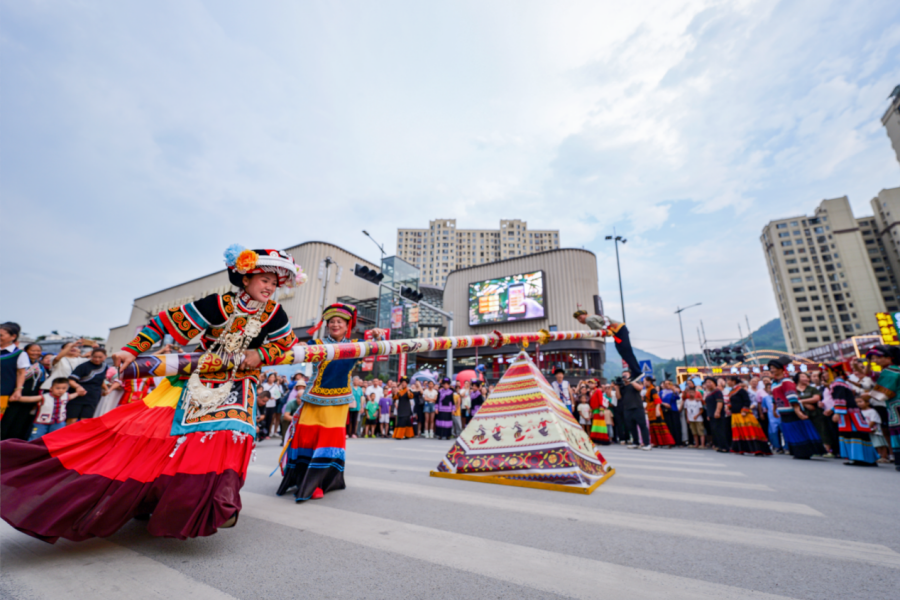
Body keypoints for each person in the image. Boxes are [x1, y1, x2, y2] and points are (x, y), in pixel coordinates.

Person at [1, 246, 304, 542]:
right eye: (265, 279)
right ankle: (155, 498)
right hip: (195, 379)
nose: (270, 287)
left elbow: (286, 346)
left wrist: (261, 354)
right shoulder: (219, 304)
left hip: (241, 385)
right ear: (246, 278)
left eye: (275, 283)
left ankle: (217, 504)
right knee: (150, 437)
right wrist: (131, 349)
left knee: (234, 435)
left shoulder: (275, 313)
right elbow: (162, 323)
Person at [277, 303, 386, 502]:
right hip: (313, 399)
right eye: (332, 322)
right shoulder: (316, 343)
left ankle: (319, 483)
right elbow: (300, 351)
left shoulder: (356, 345)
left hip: (338, 402)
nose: (335, 325)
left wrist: (378, 336)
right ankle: (302, 479)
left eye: (340, 322)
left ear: (347, 326)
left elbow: (376, 348)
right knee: (308, 439)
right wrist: (300, 347)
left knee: (328, 442)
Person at [768, 356, 825, 460]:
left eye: (773, 367)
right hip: (783, 411)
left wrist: (797, 411)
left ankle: (805, 452)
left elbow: (792, 396)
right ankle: (798, 452)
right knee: (790, 432)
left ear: (781, 368)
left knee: (798, 431)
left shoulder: (786, 381)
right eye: (770, 368)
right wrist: (774, 409)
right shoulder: (774, 383)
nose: (771, 370)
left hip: (792, 410)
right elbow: (774, 397)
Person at [824, 362, 877, 466]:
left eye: (827, 372)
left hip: (849, 414)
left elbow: (840, 399)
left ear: (834, 373)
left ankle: (860, 458)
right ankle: (860, 458)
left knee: (853, 434)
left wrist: (837, 413)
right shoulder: (842, 383)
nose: (825, 374)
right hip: (851, 413)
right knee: (853, 434)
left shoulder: (838, 384)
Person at [863, 345, 900, 471]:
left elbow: (883, 393)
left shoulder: (890, 371)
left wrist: (867, 395)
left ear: (889, 358)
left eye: (877, 357)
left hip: (896, 406)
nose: (875, 361)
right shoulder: (895, 369)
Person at [2, 343, 46, 441]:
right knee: (7, 421)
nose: (36, 353)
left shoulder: (40, 366)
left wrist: (37, 399)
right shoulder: (19, 364)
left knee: (21, 422)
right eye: (32, 350)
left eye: (38, 350)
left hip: (30, 399)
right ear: (25, 352)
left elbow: (41, 383)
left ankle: (14, 444)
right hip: (14, 397)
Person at [724, 374, 771, 455]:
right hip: (735, 415)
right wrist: (728, 406)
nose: (727, 382)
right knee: (739, 433)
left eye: (728, 380)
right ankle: (740, 449)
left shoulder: (741, 390)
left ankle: (758, 449)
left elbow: (747, 401)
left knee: (750, 432)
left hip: (743, 414)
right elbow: (733, 402)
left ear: (733, 381)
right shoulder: (731, 391)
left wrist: (745, 410)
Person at [64, 348, 109, 424]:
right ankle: (66, 435)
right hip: (78, 396)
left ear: (105, 356)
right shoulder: (83, 366)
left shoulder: (105, 367)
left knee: (86, 421)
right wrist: (78, 387)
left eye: (100, 357)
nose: (97, 359)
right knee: (72, 419)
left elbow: (100, 380)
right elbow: (71, 380)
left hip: (93, 397)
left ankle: (80, 436)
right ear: (91, 356)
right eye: (95, 357)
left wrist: (105, 389)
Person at [796, 372, 833, 457]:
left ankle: (827, 450)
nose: (806, 379)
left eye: (807, 377)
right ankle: (812, 450)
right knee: (807, 432)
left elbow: (816, 398)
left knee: (822, 430)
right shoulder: (794, 389)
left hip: (816, 413)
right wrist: (806, 404)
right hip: (802, 414)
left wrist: (802, 401)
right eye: (803, 377)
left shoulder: (812, 389)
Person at [614, 370, 649, 450]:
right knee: (631, 427)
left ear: (630, 376)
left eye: (626, 375)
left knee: (642, 426)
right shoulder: (622, 386)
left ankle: (647, 444)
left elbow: (640, 388)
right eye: (623, 376)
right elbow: (618, 397)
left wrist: (631, 381)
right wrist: (617, 388)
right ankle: (635, 442)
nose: (624, 377)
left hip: (637, 408)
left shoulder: (635, 383)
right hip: (627, 409)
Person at [1, 322, 26, 417]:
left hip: (3, 394)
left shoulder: (19, 354)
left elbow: (21, 373)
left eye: (1, 335)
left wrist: (18, 390)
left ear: (13, 336)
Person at [858, 396, 890, 463]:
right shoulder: (859, 412)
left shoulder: (872, 411)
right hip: (866, 431)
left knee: (880, 444)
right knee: (874, 444)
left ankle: (884, 457)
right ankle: (878, 456)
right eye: (857, 402)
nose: (858, 403)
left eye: (860, 401)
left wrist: (866, 428)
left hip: (875, 431)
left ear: (867, 403)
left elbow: (873, 421)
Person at [644, 377, 674, 447]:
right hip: (650, 410)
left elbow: (657, 401)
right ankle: (656, 442)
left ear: (649, 382)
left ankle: (668, 442)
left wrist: (657, 410)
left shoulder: (652, 389)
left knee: (660, 426)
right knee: (654, 427)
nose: (643, 382)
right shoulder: (649, 389)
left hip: (654, 410)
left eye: (644, 381)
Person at [659, 380, 683, 446]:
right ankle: (671, 442)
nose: (667, 385)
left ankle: (679, 442)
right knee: (669, 426)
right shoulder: (661, 392)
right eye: (666, 384)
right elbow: (658, 401)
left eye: (668, 383)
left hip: (674, 410)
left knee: (676, 426)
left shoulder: (674, 391)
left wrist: (673, 390)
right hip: (666, 411)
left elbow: (678, 397)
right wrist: (664, 404)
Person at [588, 379, 610, 445]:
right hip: (594, 410)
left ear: (595, 384)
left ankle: (602, 440)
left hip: (599, 410)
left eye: (592, 383)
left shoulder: (598, 391)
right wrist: (591, 412)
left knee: (600, 425)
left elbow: (600, 401)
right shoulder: (591, 392)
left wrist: (601, 410)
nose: (590, 384)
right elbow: (591, 403)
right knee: (595, 425)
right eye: (589, 383)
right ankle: (597, 440)